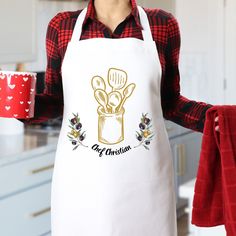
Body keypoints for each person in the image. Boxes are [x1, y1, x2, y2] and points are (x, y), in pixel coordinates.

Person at [18, 0, 219, 235]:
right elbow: (55, 101)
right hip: (80, 187)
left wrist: (220, 119)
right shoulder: (62, 26)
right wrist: (17, 103)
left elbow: (170, 102)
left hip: (146, 186)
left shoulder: (161, 23)